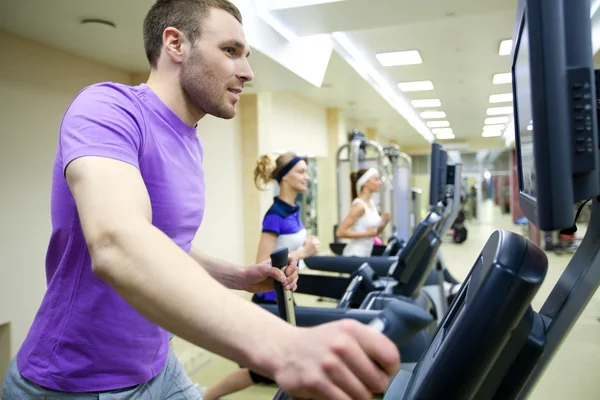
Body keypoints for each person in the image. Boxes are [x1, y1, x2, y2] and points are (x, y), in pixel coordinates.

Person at [1, 1, 400, 399]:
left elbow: (165, 245)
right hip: (76, 381)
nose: (247, 72)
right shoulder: (108, 109)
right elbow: (117, 242)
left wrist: (235, 276)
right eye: (230, 51)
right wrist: (283, 345)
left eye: (247, 56)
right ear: (175, 43)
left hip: (157, 364)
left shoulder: (190, 142)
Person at [204, 152, 320, 400]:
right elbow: (262, 261)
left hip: (286, 292)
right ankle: (205, 396)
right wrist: (304, 251)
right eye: (301, 171)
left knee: (284, 365)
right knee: (265, 370)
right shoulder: (275, 214)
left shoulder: (292, 209)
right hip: (270, 298)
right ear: (285, 177)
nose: (306, 177)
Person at [336, 168, 391, 257]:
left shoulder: (371, 204)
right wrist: (367, 234)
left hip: (366, 253)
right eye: (376, 179)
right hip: (354, 254)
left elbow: (373, 233)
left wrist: (383, 224)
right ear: (365, 182)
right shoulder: (359, 206)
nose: (380, 182)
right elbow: (340, 232)